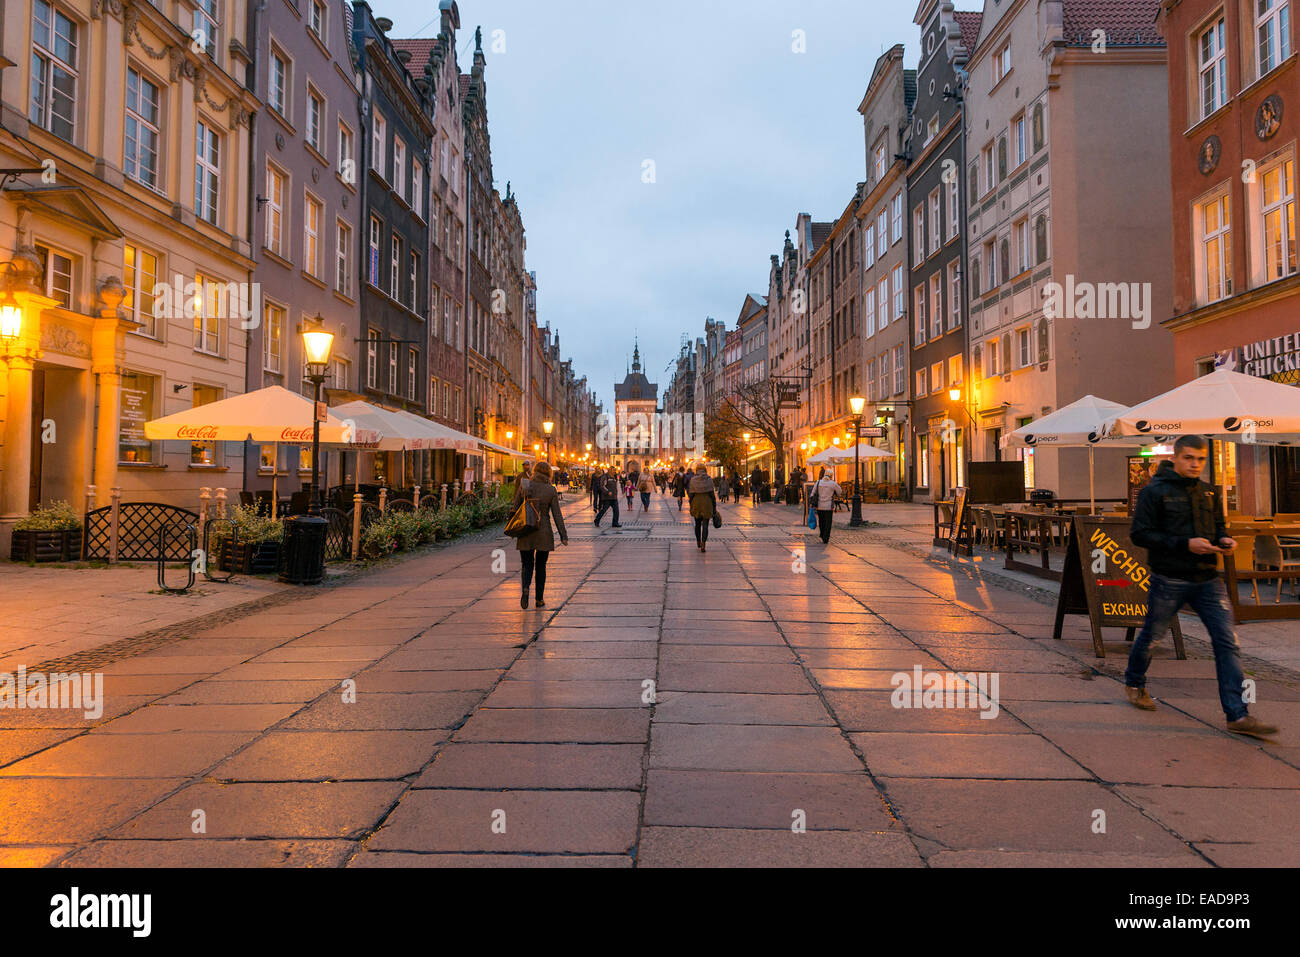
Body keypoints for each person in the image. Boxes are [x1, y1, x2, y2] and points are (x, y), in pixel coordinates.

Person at [1124, 435, 1278, 738]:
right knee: (1153, 636)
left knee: (1227, 642)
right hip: (1169, 579)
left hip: (1207, 579)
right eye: (1189, 458)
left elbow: (1218, 526)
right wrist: (1185, 544)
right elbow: (1139, 534)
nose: (1195, 464)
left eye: (1200, 459)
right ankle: (1134, 682)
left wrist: (1224, 540)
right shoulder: (1154, 491)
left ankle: (1238, 715)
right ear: (1176, 458)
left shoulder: (1208, 491)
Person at [513, 460, 568, 609]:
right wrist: (563, 535)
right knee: (541, 566)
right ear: (548, 473)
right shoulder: (550, 490)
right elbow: (557, 514)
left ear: (535, 471)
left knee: (526, 564)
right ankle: (539, 599)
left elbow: (515, 507)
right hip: (543, 530)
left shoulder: (525, 485)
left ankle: (525, 588)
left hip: (526, 528)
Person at [688, 464, 717, 552]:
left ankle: (698, 541)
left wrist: (691, 504)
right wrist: (714, 505)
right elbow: (712, 495)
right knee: (705, 525)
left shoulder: (693, 480)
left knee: (697, 524)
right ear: (705, 470)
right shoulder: (709, 480)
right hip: (707, 503)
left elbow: (691, 495)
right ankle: (703, 544)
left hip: (696, 503)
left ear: (696, 470)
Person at [809, 466, 841, 545]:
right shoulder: (833, 483)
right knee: (828, 522)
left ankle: (822, 534)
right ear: (831, 475)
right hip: (828, 506)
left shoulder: (818, 482)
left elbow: (812, 493)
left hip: (819, 505)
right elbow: (840, 492)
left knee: (821, 521)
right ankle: (826, 537)